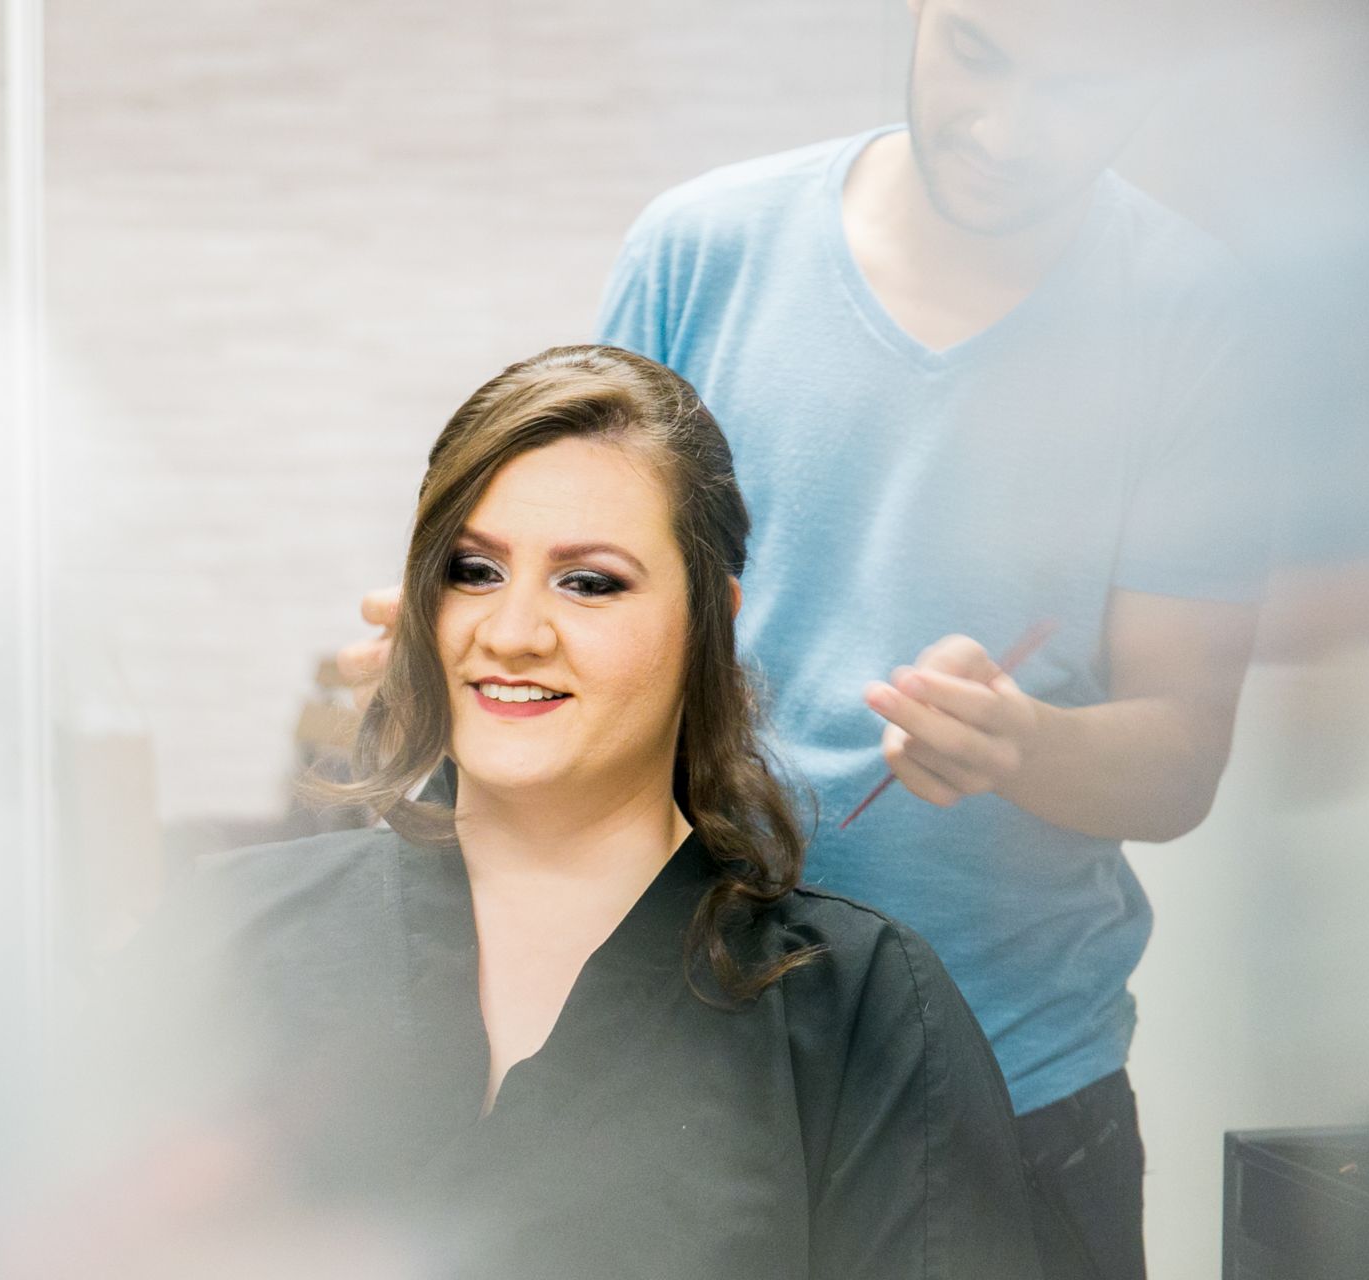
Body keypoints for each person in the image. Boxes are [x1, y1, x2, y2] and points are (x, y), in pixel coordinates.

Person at [339, 4, 1274, 1278]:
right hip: (696, 1037)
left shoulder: (1189, 317)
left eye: (1077, 90)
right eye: (978, 60)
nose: (1002, 132)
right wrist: (487, 654)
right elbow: (588, 582)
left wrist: (1024, 745)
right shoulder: (703, 248)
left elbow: (1179, 763)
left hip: (1016, 1078)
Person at [121, 345, 1040, 1280]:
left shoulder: (863, 1012)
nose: (512, 632)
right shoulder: (221, 939)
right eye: (474, 571)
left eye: (589, 581)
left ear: (709, 622)